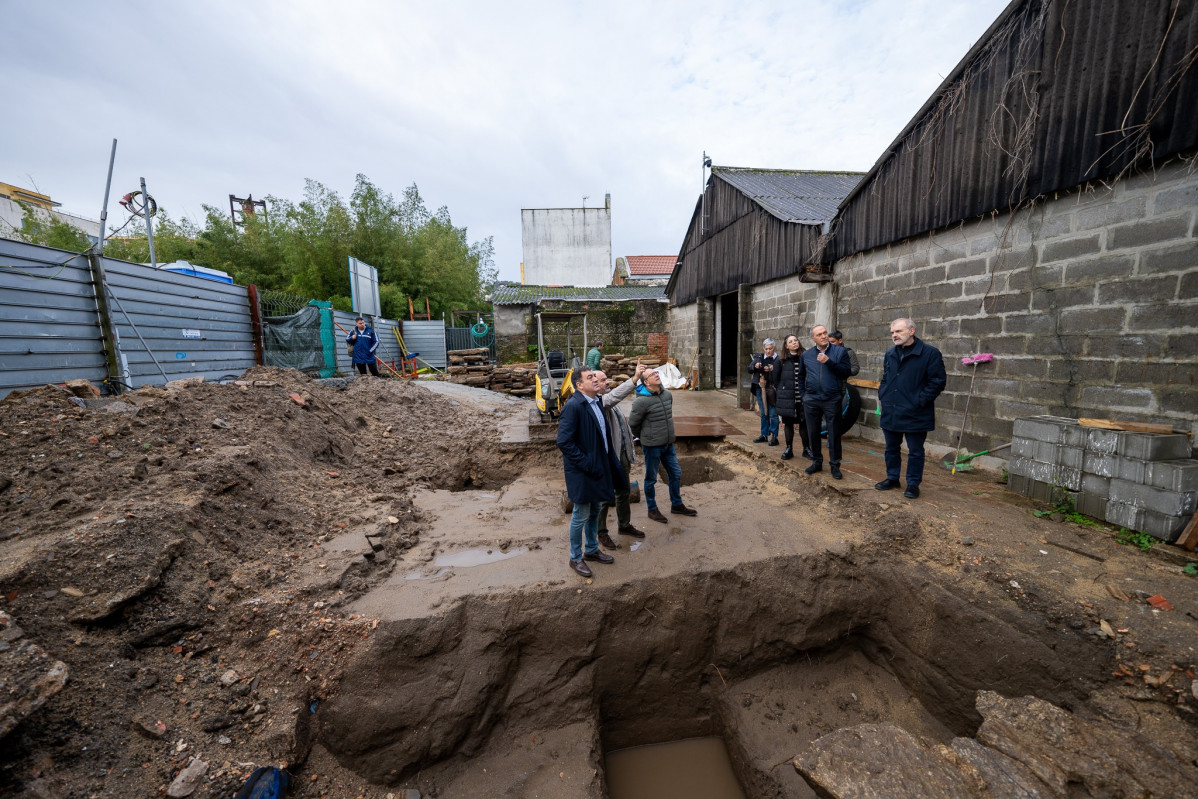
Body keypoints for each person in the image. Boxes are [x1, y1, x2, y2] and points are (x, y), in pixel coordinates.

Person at [557, 367, 621, 578]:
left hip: (598, 467)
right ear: (579, 385)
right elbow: (564, 442)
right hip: (583, 471)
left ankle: (592, 550)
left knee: (595, 509)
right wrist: (586, 463)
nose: (595, 379)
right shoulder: (573, 407)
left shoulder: (596, 402)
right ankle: (575, 557)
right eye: (590, 377)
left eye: (595, 376)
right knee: (580, 514)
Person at [876, 318, 947, 499]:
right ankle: (892, 478)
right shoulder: (890, 353)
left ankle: (913, 484)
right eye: (892, 332)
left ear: (912, 331)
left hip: (916, 412)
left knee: (915, 451)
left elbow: (937, 381)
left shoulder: (929, 353)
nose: (894, 335)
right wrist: (883, 394)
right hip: (891, 409)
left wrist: (919, 400)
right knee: (891, 448)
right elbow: (886, 377)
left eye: (899, 331)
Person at [628, 368, 698, 523]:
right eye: (652, 374)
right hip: (652, 446)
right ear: (646, 382)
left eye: (656, 373)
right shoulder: (641, 402)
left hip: (668, 443)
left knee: (676, 473)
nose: (656, 375)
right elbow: (632, 424)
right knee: (651, 479)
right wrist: (646, 436)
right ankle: (652, 509)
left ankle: (677, 504)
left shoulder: (667, 395)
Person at [596, 363, 648, 548]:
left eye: (606, 379)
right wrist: (634, 379)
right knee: (604, 497)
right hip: (609, 458)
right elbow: (614, 397)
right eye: (602, 380)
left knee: (623, 491)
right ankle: (601, 533)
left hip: (622, 454)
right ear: (593, 384)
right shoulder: (599, 402)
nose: (607, 382)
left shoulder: (609, 401)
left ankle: (624, 525)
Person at [797, 325, 852, 480]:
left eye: (825, 333)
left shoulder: (840, 352)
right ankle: (816, 462)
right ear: (813, 338)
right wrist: (804, 395)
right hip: (811, 399)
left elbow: (846, 372)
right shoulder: (807, 355)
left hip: (831, 398)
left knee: (834, 433)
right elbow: (801, 376)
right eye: (819, 334)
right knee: (813, 431)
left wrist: (829, 362)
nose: (823, 336)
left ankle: (835, 465)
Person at [773, 334, 812, 461]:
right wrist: (784, 390)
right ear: (786, 346)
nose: (794, 342)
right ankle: (789, 449)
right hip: (787, 398)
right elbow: (775, 380)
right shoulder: (780, 361)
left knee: (804, 423)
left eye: (796, 340)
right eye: (791, 341)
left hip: (803, 397)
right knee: (788, 424)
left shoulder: (805, 357)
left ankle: (806, 449)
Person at [747, 339, 780, 445]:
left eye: (770, 348)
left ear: (774, 348)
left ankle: (774, 436)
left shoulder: (778, 359)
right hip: (760, 388)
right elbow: (749, 369)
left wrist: (773, 369)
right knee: (764, 413)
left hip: (773, 389)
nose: (768, 351)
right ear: (763, 349)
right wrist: (755, 366)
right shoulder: (759, 357)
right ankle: (764, 435)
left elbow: (782, 373)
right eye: (766, 349)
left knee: (773, 413)